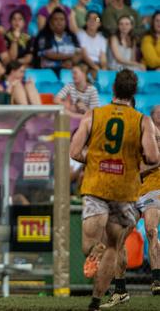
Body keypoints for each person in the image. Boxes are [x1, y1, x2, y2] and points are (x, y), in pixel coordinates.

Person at [70, 70, 158, 311]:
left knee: (90, 244)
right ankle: (96, 302)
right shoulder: (143, 121)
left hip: (97, 187)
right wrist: (129, 165)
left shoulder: (92, 115)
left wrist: (99, 160)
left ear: (113, 90)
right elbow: (153, 156)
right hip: (125, 191)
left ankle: (95, 254)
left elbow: (74, 152)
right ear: (134, 94)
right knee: (114, 246)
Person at [137, 105, 160, 296]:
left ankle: (157, 280)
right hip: (133, 191)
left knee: (151, 231)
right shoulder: (142, 136)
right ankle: (117, 286)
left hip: (154, 189)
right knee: (117, 235)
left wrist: (138, 171)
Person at [32, 8, 82, 75]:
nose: (59, 22)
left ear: (66, 22)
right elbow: (48, 54)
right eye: (56, 19)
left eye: (62, 19)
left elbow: (79, 53)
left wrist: (71, 62)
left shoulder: (71, 36)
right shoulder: (43, 35)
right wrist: (69, 57)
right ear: (50, 22)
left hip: (69, 70)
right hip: (49, 72)